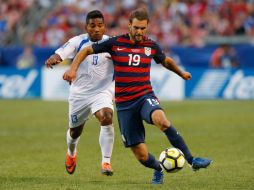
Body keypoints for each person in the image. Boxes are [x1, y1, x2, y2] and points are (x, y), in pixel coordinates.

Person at [63, 7, 212, 184]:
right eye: (136, 28)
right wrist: (73, 69)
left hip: (144, 96)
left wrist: (181, 73)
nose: (139, 31)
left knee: (162, 120)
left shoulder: (150, 46)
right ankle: (158, 168)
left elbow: (166, 60)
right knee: (141, 156)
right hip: (125, 105)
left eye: (142, 28)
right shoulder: (115, 43)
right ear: (129, 26)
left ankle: (191, 160)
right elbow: (85, 51)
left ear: (147, 27)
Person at [45, 10, 115, 176]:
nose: (96, 29)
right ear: (86, 27)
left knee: (106, 116)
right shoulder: (77, 41)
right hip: (79, 95)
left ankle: (106, 162)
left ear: (104, 26)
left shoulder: (113, 44)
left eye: (100, 25)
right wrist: (54, 58)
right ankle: (71, 153)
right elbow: (60, 53)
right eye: (92, 26)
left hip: (102, 91)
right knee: (75, 132)